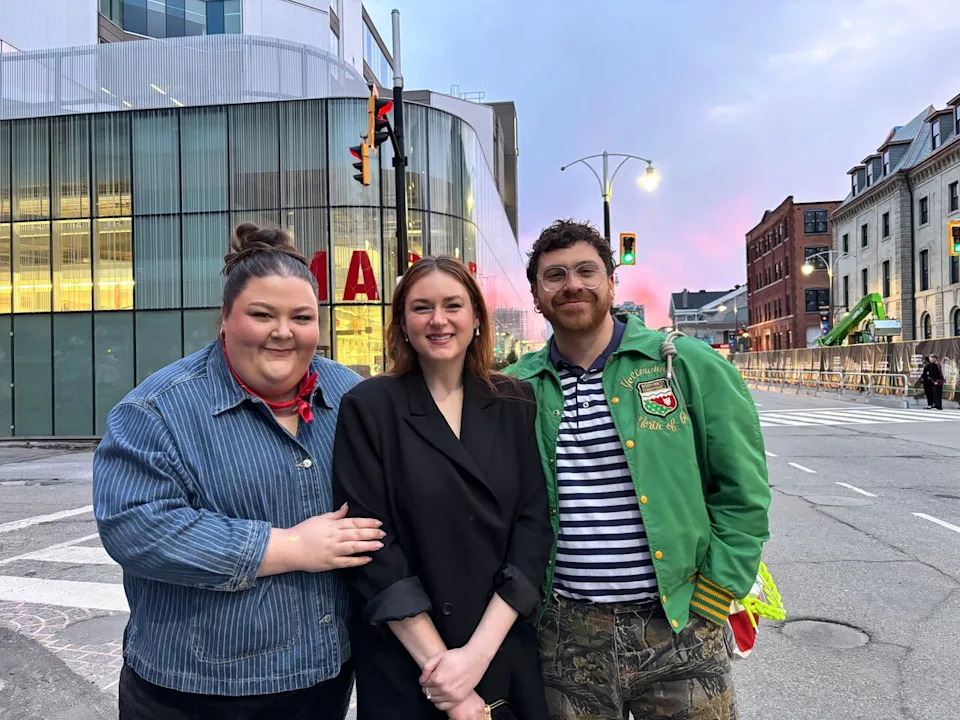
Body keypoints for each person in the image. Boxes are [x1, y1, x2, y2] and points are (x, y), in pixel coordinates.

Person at [93, 223, 385, 720]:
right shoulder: (156, 410)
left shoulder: (349, 395)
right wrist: (289, 547)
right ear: (225, 319)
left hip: (324, 678)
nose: (283, 332)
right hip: (196, 690)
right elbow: (135, 528)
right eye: (261, 314)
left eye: (301, 317)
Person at [504, 220, 771, 720]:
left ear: (611, 282)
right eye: (554, 275)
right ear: (537, 295)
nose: (572, 285)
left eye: (587, 271)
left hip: (679, 628)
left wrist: (714, 596)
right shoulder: (517, 387)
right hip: (565, 636)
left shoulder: (685, 365)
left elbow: (743, 492)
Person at [332, 255, 552, 720]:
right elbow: (372, 546)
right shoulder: (368, 407)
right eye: (421, 307)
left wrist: (474, 659)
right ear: (402, 323)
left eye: (453, 305)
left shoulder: (514, 401)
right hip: (408, 659)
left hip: (499, 646)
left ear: (475, 316)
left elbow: (532, 529)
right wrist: (447, 680)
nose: (438, 320)